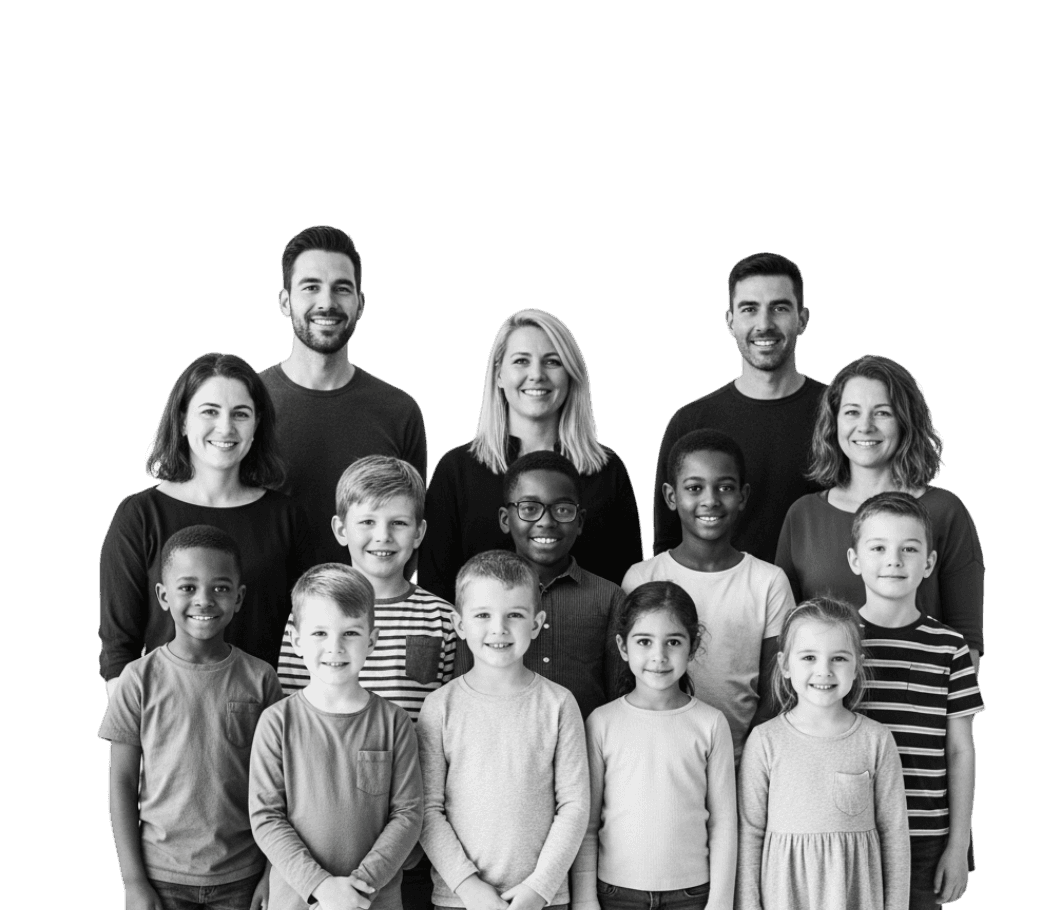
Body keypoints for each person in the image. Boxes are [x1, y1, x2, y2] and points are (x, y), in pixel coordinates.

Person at [275, 456, 456, 910]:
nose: (383, 536)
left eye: (399, 523)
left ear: (420, 534)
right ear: (340, 527)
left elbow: (450, 712)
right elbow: (292, 712)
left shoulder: (438, 615)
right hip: (318, 843)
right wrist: (321, 879)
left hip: (403, 835)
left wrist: (395, 856)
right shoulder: (306, 621)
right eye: (369, 521)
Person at [625, 428, 794, 910]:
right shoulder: (645, 576)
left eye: (725, 487)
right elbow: (633, 682)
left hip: (744, 775)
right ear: (670, 495)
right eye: (693, 488)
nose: (710, 500)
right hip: (663, 781)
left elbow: (778, 692)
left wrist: (748, 767)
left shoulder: (767, 582)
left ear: (744, 496)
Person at [453, 450, 626, 910]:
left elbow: (615, 712)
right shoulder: (476, 609)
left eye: (561, 508)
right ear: (506, 517)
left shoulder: (607, 601)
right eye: (529, 507)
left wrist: (554, 880)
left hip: (560, 849)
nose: (544, 520)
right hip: (472, 868)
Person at [99, 526, 284, 910]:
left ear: (240, 598)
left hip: (238, 878)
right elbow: (119, 783)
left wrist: (271, 874)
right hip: (163, 878)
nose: (204, 600)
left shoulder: (260, 679)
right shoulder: (140, 679)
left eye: (220, 588)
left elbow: (279, 787)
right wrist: (133, 880)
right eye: (188, 587)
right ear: (162, 596)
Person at [416, 551, 590, 910]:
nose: (499, 628)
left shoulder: (559, 705)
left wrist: (540, 886)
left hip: (541, 900)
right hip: (460, 901)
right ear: (459, 622)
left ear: (537, 624)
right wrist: (467, 885)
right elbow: (427, 810)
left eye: (515, 615)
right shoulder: (440, 707)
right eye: (485, 615)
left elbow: (575, 805)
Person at [249, 564, 424, 910]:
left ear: (372, 639)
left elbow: (408, 814)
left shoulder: (394, 722)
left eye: (350, 633)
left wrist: (359, 888)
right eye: (320, 633)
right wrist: (321, 887)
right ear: (296, 639)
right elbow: (266, 816)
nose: (335, 647)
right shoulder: (277, 721)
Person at [736, 598, 910, 910]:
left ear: (857, 667)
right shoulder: (766, 741)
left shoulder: (875, 740)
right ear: (785, 667)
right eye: (809, 657)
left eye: (839, 658)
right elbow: (750, 831)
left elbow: (895, 832)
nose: (824, 671)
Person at [574, 582, 737, 910]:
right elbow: (587, 821)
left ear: (693, 646)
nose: (659, 656)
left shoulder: (710, 725)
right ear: (623, 648)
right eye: (644, 642)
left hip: (690, 902)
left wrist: (719, 909)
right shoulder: (601, 723)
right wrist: (585, 906)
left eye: (673, 642)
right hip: (617, 900)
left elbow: (727, 821)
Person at [847, 493, 983, 910]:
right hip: (847, 837)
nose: (893, 561)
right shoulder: (837, 642)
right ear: (855, 559)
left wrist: (958, 844)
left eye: (909, 550)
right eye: (878, 548)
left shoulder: (949, 649)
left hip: (926, 835)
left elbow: (960, 747)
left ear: (929, 563)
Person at [99, 352, 315, 695]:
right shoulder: (140, 516)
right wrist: (136, 738)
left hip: (266, 721)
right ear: (183, 421)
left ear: (257, 424)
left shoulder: (287, 518)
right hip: (167, 724)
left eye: (240, 414)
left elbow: (311, 631)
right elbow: (119, 650)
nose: (225, 427)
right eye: (210, 412)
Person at [775, 354, 984, 667]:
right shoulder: (803, 516)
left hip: (916, 706)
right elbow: (786, 635)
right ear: (834, 422)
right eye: (852, 412)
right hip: (826, 707)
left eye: (882, 412)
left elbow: (966, 645)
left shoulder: (944, 511)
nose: (865, 426)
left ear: (904, 421)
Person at [418, 308, 642, 601]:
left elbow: (627, 591)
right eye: (521, 361)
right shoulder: (456, 470)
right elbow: (436, 591)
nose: (536, 375)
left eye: (552, 362)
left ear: (571, 375)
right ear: (499, 374)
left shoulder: (607, 470)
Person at [260, 225, 427, 565]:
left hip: (369, 614)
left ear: (360, 303)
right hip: (264, 612)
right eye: (311, 287)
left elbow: (410, 536)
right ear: (284, 301)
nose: (327, 303)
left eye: (342, 289)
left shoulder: (399, 412)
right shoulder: (245, 405)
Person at [652, 252, 826, 564]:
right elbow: (667, 542)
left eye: (780, 308)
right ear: (730, 322)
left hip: (819, 608)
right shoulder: (691, 422)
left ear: (802, 319)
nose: (764, 324)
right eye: (749, 309)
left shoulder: (840, 414)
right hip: (716, 609)